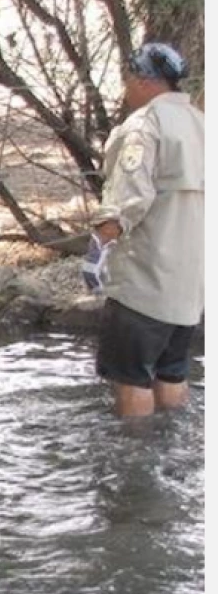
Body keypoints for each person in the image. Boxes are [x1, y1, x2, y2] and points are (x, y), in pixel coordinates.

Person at [81, 42, 204, 418]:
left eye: (128, 79)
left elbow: (128, 199)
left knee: (131, 379)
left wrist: (96, 250)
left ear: (144, 80)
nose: (126, 88)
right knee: (172, 372)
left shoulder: (144, 126)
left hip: (146, 280)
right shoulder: (203, 123)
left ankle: (134, 462)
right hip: (191, 286)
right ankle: (169, 450)